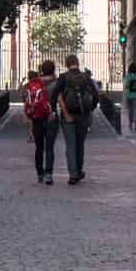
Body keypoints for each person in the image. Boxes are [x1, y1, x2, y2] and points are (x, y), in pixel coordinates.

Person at [52, 54, 100, 185]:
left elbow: (54, 95)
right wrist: (90, 109)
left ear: (67, 64)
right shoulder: (86, 77)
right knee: (80, 144)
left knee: (70, 145)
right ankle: (79, 171)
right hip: (83, 116)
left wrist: (54, 111)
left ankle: (72, 174)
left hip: (67, 116)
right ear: (77, 63)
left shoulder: (63, 77)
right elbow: (96, 95)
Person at [25, 63, 58, 184]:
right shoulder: (56, 84)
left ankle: (40, 173)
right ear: (53, 70)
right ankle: (49, 174)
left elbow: (26, 97)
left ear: (42, 71)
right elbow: (60, 100)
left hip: (37, 118)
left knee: (39, 147)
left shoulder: (34, 83)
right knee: (49, 148)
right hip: (51, 117)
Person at [123, 64, 136, 133]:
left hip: (129, 95)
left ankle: (130, 124)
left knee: (130, 110)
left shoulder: (128, 75)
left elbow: (125, 85)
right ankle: (135, 125)